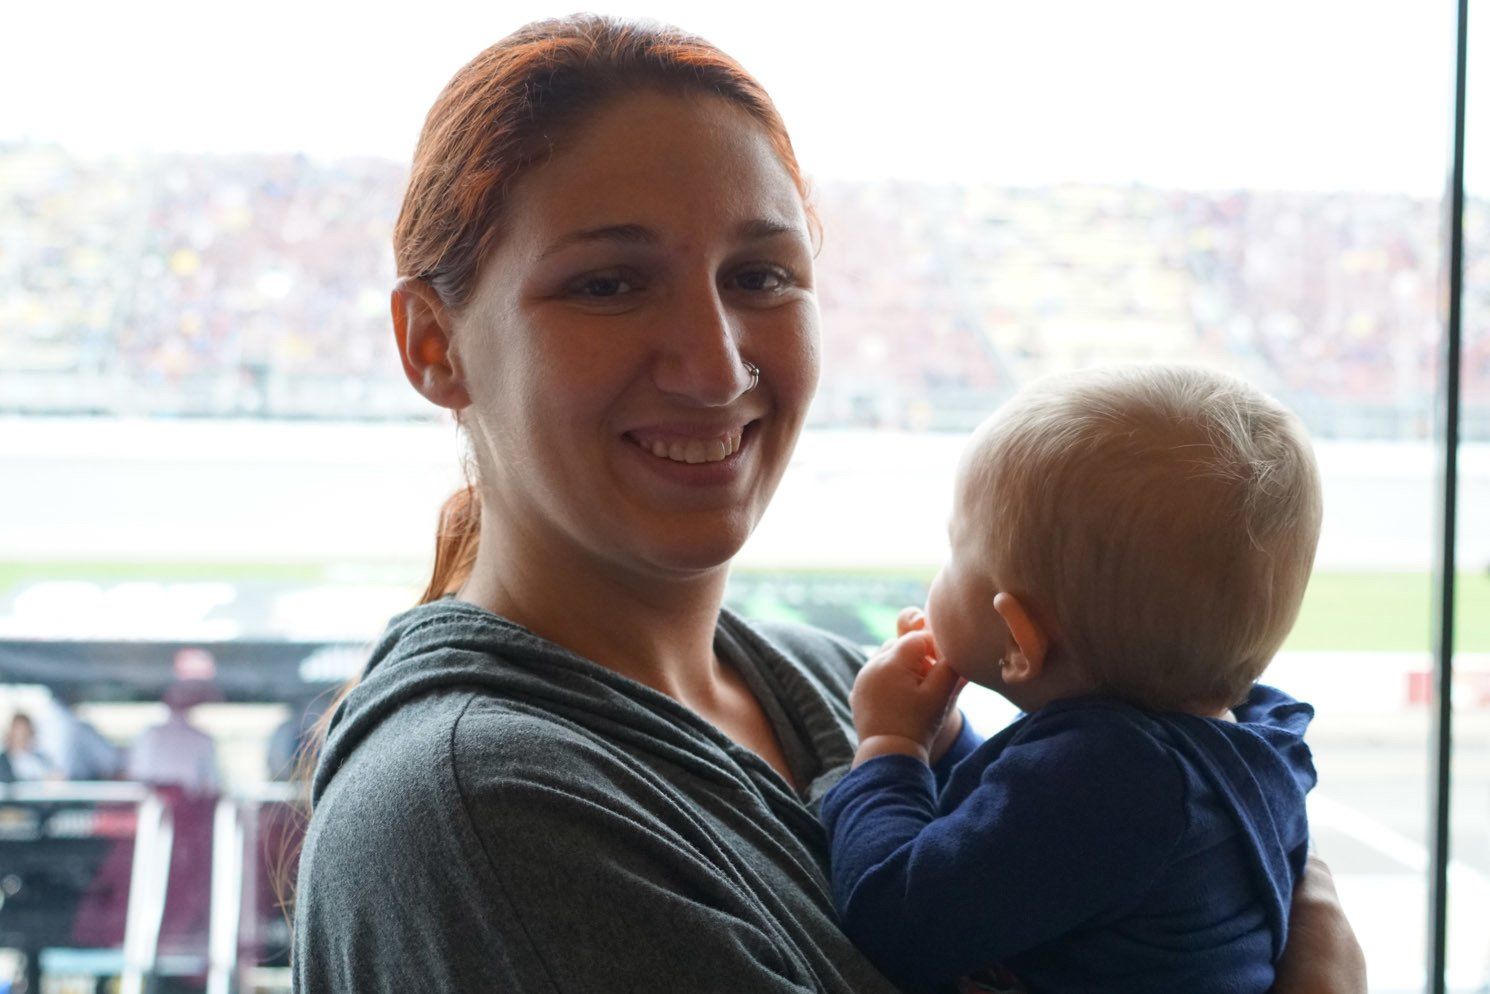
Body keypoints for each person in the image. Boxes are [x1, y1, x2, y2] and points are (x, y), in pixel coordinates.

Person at [291, 16, 1366, 993]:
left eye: (760, 276)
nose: (714, 368)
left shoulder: (816, 672)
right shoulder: (484, 814)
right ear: (434, 345)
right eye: (608, 283)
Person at [822, 365, 1326, 993]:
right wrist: (949, 745)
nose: (942, 568)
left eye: (955, 550)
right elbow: (1015, 836)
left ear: (1018, 641)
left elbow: (895, 915)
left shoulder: (1116, 784)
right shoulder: (1235, 749)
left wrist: (889, 749)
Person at [3, 712, 62, 781]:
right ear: (11, 734)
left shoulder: (40, 758)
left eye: (26, 732)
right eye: (19, 732)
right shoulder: (3, 761)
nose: (22, 736)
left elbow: (56, 773)